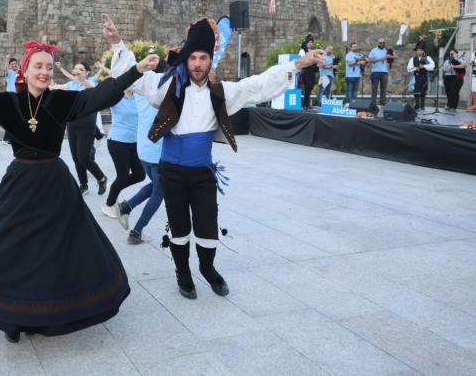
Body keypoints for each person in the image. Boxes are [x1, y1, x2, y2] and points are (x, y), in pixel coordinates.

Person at [0, 38, 156, 343]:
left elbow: (101, 94)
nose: (45, 72)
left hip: (55, 183)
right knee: (13, 245)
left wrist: (136, 70)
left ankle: (50, 312)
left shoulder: (63, 102)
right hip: (21, 183)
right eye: (38, 66)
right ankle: (11, 316)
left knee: (57, 249)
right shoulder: (7, 103)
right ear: (25, 70)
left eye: (49, 67)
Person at [107, 15, 323, 301]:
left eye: (203, 58)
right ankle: (183, 273)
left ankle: (207, 269)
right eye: (193, 57)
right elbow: (133, 77)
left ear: (210, 61)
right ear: (186, 59)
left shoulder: (221, 91)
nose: (197, 63)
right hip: (170, 172)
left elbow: (257, 85)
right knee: (179, 226)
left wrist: (299, 64)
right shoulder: (164, 87)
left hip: (202, 174)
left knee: (208, 226)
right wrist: (117, 44)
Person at [115, 54, 169, 244]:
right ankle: (136, 232)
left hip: (144, 150)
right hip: (159, 151)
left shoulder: (139, 89)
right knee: (160, 191)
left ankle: (126, 206)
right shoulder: (163, 91)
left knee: (157, 184)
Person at [53, 62, 108, 196]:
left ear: (87, 72)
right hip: (72, 124)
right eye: (76, 69)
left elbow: (92, 90)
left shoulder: (90, 84)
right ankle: (83, 184)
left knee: (84, 157)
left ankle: (102, 178)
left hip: (87, 124)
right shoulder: (72, 85)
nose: (77, 72)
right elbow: (56, 87)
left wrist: (83, 80)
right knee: (76, 157)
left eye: (81, 70)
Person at [101, 89, 145, 218]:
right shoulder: (117, 95)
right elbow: (99, 101)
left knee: (140, 174)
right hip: (117, 141)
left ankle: (115, 186)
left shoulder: (140, 96)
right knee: (123, 176)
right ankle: (108, 205)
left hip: (135, 141)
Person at [367, 37, 392, 106]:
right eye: (380, 43)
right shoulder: (373, 50)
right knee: (374, 89)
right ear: (378, 43)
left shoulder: (387, 50)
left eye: (383, 43)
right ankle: (373, 104)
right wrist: (381, 58)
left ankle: (382, 103)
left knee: (383, 88)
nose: (382, 44)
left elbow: (396, 56)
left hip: (385, 71)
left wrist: (390, 56)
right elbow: (369, 60)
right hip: (375, 71)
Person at [3, 56, 19, 144]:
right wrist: (6, 60)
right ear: (10, 65)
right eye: (12, 64)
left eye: (15, 63)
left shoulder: (20, 73)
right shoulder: (9, 73)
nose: (14, 65)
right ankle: (6, 138)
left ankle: (8, 138)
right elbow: (4, 69)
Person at [298, 35, 317, 109]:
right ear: (306, 42)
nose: (311, 43)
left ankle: (307, 104)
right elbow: (302, 59)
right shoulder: (302, 50)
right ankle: (305, 104)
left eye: (312, 42)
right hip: (305, 71)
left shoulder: (312, 51)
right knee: (307, 87)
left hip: (312, 71)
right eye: (309, 42)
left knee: (310, 87)